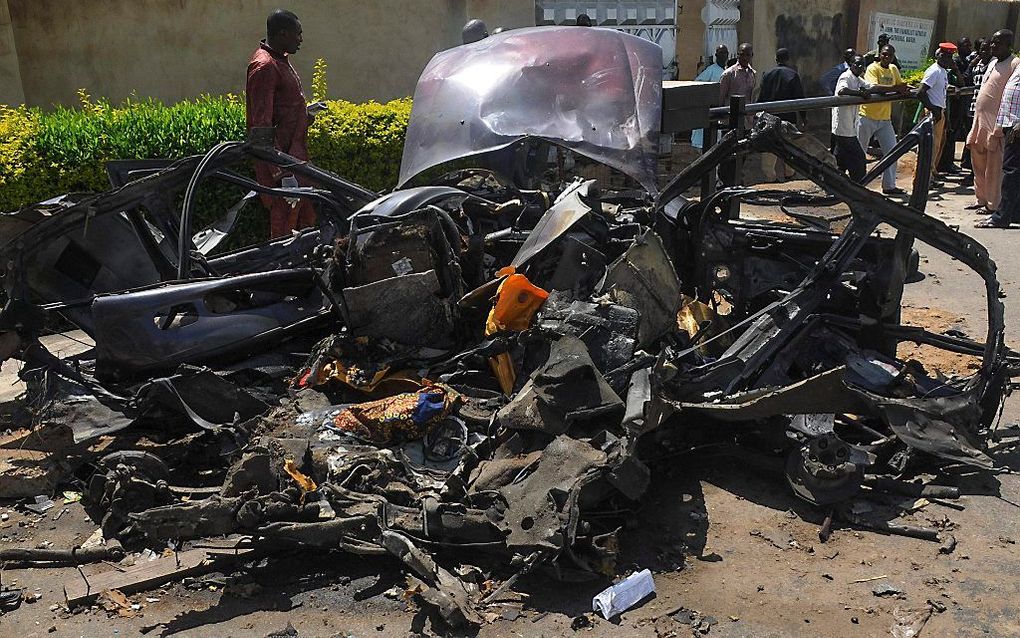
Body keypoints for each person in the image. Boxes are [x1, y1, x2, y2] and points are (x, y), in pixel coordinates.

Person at [246, 9, 316, 239]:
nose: (301, 39)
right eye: (298, 34)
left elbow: (283, 113)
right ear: (283, 34)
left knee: (307, 230)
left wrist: (306, 114)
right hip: (284, 172)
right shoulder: (265, 66)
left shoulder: (279, 61)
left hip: (296, 163)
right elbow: (261, 126)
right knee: (285, 237)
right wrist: (282, 175)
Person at [966, 30, 1020, 214]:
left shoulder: (1014, 64)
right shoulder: (992, 63)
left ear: (1008, 45)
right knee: (978, 164)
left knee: (994, 168)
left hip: (996, 125)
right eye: (992, 43)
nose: (992, 46)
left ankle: (992, 205)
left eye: (998, 43)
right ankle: (980, 199)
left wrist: (1000, 125)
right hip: (979, 122)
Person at [832, 55, 896, 182]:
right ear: (851, 64)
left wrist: (896, 89)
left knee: (841, 159)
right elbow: (842, 90)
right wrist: (860, 94)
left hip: (850, 125)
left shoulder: (857, 79)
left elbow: (872, 87)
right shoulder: (846, 76)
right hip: (843, 126)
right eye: (857, 64)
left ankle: (837, 184)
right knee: (859, 158)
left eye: (862, 65)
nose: (859, 67)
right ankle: (858, 185)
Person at [858, 45, 909, 194]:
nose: (886, 57)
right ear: (880, 55)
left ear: (893, 57)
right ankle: (858, 185)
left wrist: (908, 88)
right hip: (867, 116)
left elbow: (899, 85)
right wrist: (895, 88)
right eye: (884, 54)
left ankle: (889, 185)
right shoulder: (872, 69)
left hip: (884, 119)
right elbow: (873, 87)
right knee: (860, 153)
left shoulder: (893, 69)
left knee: (892, 151)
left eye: (889, 55)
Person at [976, 61, 1020, 228]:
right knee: (1014, 172)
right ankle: (1014, 213)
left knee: (1011, 172)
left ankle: (1001, 217)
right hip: (1011, 124)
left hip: (1017, 126)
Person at [918, 44, 957, 181]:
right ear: (937, 55)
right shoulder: (934, 71)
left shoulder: (943, 71)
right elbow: (921, 92)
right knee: (929, 147)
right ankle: (923, 180)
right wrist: (933, 110)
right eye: (944, 55)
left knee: (937, 146)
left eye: (949, 56)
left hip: (940, 111)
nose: (947, 58)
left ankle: (930, 176)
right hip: (932, 112)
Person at [718, 43, 756, 185]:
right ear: (737, 55)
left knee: (742, 153)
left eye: (747, 55)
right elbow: (720, 98)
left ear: (751, 56)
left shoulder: (753, 74)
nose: (744, 57)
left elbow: (751, 97)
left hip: (746, 122)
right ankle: (724, 183)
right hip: (730, 122)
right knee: (727, 155)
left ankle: (735, 182)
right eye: (741, 54)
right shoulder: (728, 74)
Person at [691, 44, 730, 150]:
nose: (722, 56)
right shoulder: (711, 70)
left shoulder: (728, 71)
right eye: (720, 54)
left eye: (725, 53)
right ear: (716, 56)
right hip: (709, 109)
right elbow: (697, 84)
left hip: (722, 109)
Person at [963, 38, 992, 170]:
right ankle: (968, 167)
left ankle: (976, 171)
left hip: (986, 111)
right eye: (982, 49)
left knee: (981, 142)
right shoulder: (977, 64)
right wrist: (971, 65)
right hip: (973, 107)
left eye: (987, 49)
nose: (984, 51)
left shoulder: (994, 65)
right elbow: (967, 78)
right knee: (970, 139)